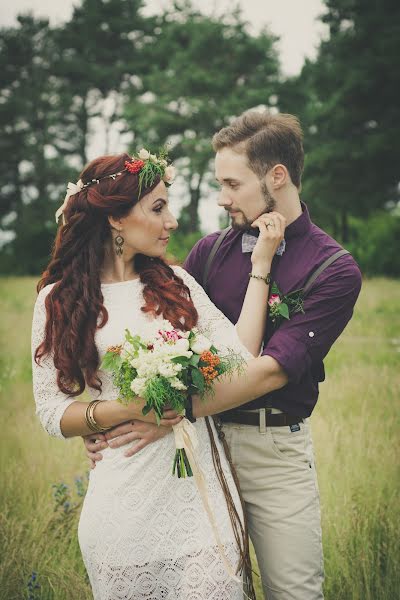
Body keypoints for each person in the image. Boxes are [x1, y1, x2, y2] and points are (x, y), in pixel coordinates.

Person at [85, 112, 362, 600]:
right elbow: (149, 341)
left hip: (272, 453)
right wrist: (103, 421)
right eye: (219, 183)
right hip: (191, 450)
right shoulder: (209, 252)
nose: (221, 198)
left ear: (277, 176)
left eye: (232, 184)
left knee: (294, 592)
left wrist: (168, 412)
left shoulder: (334, 268)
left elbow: (269, 373)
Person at [31, 149, 288, 600]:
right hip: (123, 509)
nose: (171, 221)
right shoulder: (58, 299)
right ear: (115, 218)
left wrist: (261, 264)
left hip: (200, 502)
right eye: (157, 208)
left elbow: (241, 354)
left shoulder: (175, 282)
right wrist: (122, 410)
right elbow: (53, 413)